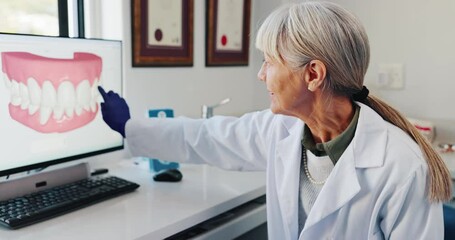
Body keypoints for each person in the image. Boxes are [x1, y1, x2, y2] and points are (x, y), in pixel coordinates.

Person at [98, 1, 452, 239]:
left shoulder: (401, 168)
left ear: (313, 74)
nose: (261, 75)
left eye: (269, 62)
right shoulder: (282, 130)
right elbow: (206, 137)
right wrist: (130, 127)